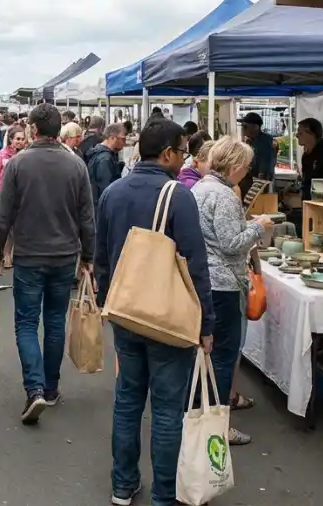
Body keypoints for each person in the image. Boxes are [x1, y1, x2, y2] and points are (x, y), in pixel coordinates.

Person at [93, 118, 214, 506]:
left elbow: (101, 257)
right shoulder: (177, 196)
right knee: (166, 409)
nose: (184, 159)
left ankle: (122, 484)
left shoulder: (112, 193)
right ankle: (164, 494)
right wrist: (205, 323)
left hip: (126, 312)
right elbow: (196, 266)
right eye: (182, 151)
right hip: (167, 318)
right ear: (166, 154)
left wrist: (107, 302)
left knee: (128, 399)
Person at [0, 104, 94, 423]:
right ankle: (50, 387)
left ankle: (34, 389)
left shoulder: (18, 164)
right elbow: (87, 216)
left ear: (33, 129)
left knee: (26, 322)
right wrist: (88, 257)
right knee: (55, 321)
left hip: (29, 255)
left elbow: (2, 215)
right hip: (64, 254)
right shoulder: (76, 164)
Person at [192, 136, 272, 447]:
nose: (247, 171)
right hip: (223, 284)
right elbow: (230, 244)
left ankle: (201, 419)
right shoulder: (223, 195)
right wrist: (258, 227)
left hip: (205, 280)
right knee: (224, 358)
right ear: (235, 165)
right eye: (247, 166)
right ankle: (218, 427)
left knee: (207, 356)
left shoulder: (201, 187)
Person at [85, 123, 127, 206]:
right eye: (123, 139)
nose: (124, 143)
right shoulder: (105, 159)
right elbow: (106, 188)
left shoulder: (102, 153)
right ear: (112, 138)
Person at [237, 112, 276, 197]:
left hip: (255, 184)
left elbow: (265, 169)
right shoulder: (252, 141)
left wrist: (258, 190)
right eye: (242, 126)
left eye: (245, 126)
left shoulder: (264, 143)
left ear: (255, 127)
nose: (242, 129)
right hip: (250, 182)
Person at [0, 125, 26, 193]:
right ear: (11, 139)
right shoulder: (2, 154)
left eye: (23, 139)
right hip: (5, 190)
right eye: (18, 139)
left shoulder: (26, 153)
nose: (20, 141)